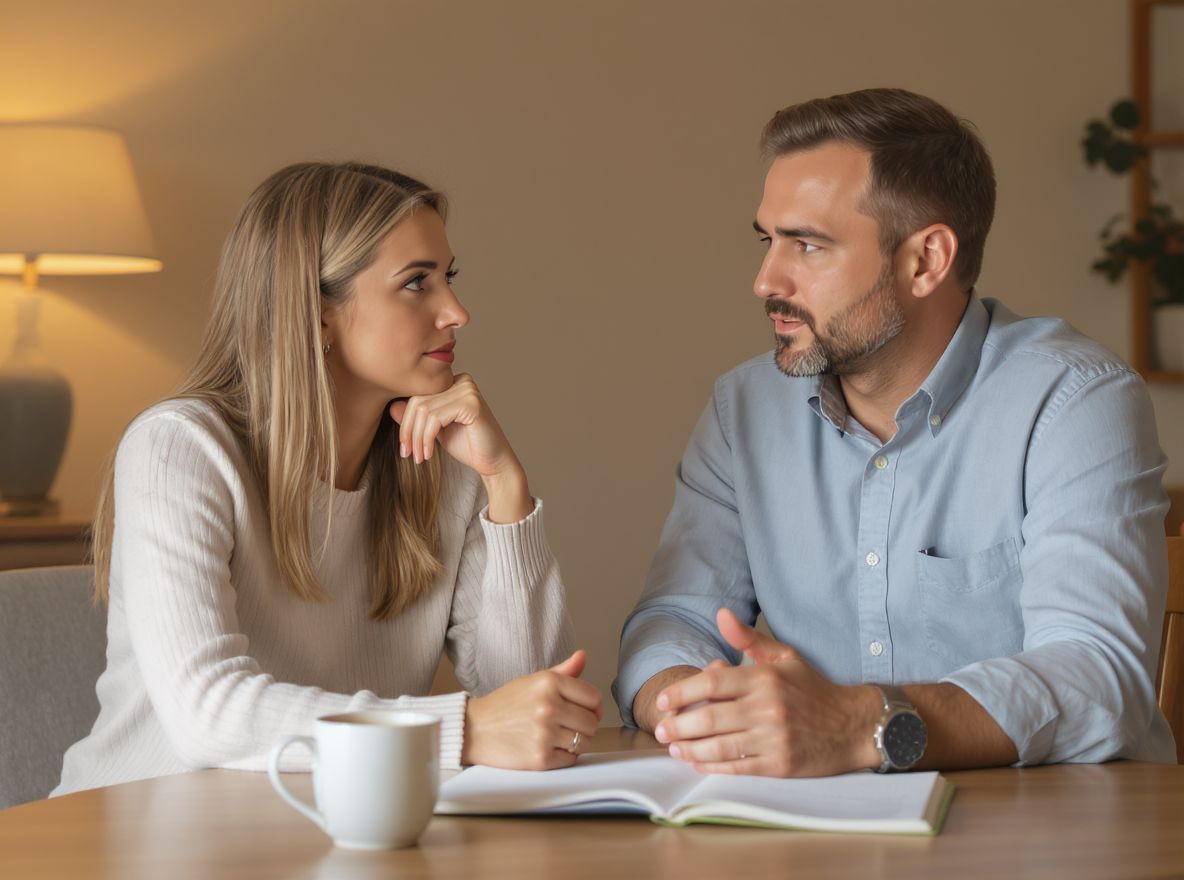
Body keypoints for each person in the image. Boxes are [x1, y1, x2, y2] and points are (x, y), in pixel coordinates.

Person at [613, 88, 1176, 776]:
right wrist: (694, 706)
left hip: (1051, 837)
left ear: (925, 260)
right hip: (817, 833)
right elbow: (673, 622)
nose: (765, 279)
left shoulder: (1074, 401)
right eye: (768, 240)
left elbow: (1096, 677)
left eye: (807, 245)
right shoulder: (745, 409)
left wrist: (862, 725)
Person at [55, 161, 600, 796]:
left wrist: (505, 485)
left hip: (322, 831)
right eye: (416, 283)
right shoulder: (179, 449)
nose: (457, 312)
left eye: (447, 278)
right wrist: (460, 731)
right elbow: (206, 714)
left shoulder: (439, 469)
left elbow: (532, 707)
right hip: (133, 840)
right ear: (315, 314)